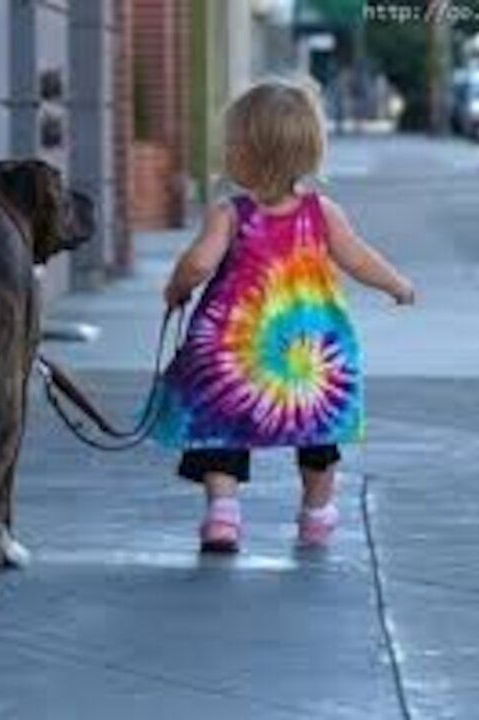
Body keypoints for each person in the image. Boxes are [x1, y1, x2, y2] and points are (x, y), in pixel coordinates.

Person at [153, 79, 416, 554]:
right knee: (318, 434)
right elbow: (357, 259)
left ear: (248, 154)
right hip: (306, 353)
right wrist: (397, 284)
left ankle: (223, 514)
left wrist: (177, 289)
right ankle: (316, 515)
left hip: (233, 353)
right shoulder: (322, 213)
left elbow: (197, 264)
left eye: (232, 143)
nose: (225, 151)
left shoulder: (230, 213)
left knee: (220, 428)